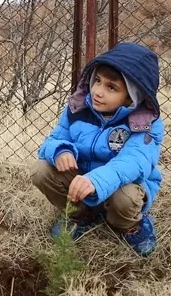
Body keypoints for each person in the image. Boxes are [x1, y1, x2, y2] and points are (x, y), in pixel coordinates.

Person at [32, 41, 164, 256]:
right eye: (98, 81)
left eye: (111, 87)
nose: (98, 92)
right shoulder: (78, 108)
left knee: (126, 198)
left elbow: (135, 162)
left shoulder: (145, 122)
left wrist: (97, 180)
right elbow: (54, 138)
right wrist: (60, 151)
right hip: (82, 183)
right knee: (41, 170)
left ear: (132, 96)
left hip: (120, 186)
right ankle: (79, 214)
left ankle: (129, 226)